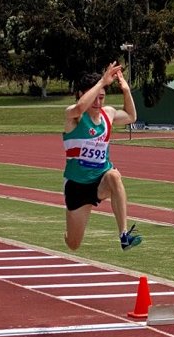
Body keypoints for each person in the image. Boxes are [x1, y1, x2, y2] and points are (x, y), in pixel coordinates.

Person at [62, 61, 142, 251]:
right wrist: (102, 82)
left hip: (100, 180)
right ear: (82, 95)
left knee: (114, 176)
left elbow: (131, 117)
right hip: (77, 186)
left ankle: (124, 235)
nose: (98, 103)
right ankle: (68, 230)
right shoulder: (73, 116)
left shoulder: (108, 114)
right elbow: (80, 107)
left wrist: (126, 90)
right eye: (94, 98)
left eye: (102, 98)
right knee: (73, 244)